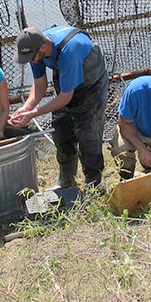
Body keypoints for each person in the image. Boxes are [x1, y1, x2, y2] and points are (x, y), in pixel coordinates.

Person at [10, 26, 108, 189]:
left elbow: (65, 97)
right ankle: (66, 179)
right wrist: (26, 108)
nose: (30, 60)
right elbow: (40, 85)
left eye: (30, 57)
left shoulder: (69, 51)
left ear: (42, 47)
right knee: (61, 128)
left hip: (91, 84)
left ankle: (94, 183)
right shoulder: (35, 52)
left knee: (88, 134)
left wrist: (34, 113)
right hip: (67, 81)